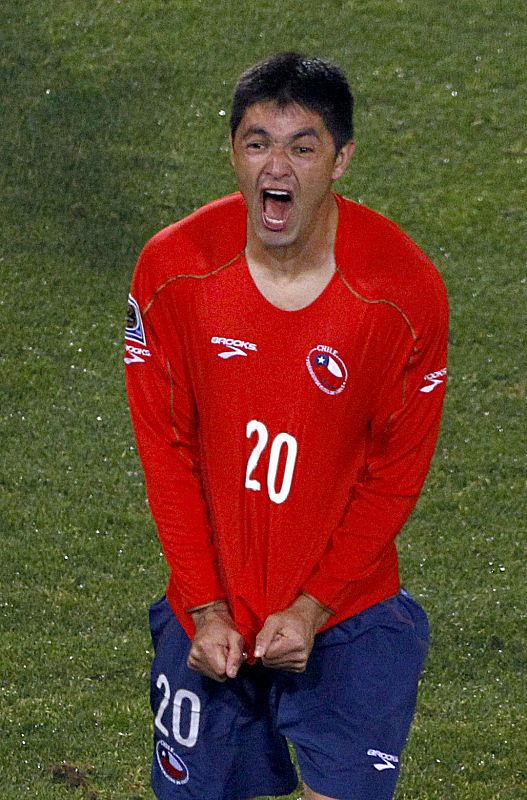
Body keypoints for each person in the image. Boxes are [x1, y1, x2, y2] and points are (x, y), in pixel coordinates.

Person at [125, 51, 448, 800]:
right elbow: (165, 451)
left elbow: (396, 470)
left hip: (350, 612)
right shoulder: (172, 272)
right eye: (257, 143)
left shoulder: (402, 292)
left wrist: (313, 604)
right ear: (232, 153)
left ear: (341, 160)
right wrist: (204, 607)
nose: (278, 166)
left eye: (303, 146)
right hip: (209, 616)